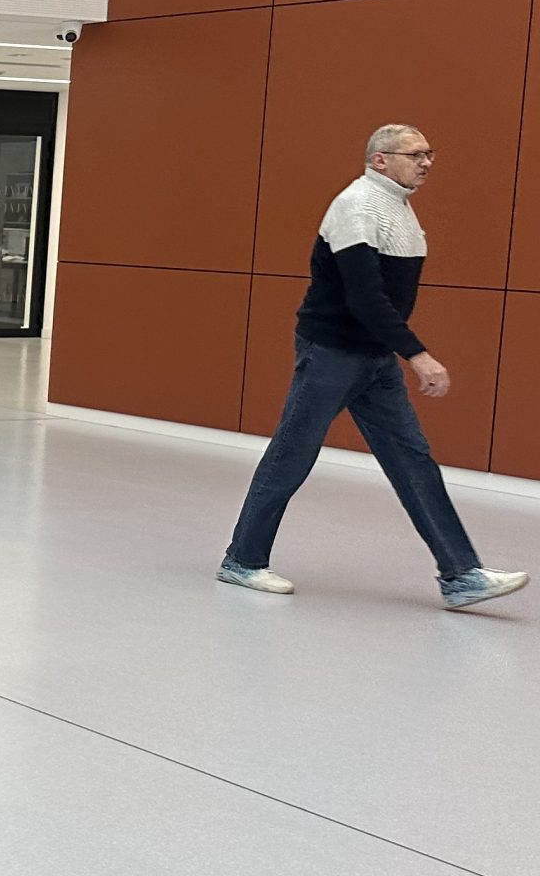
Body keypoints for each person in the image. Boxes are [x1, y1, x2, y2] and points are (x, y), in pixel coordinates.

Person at [220, 124, 526, 610]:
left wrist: (395, 350)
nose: (426, 162)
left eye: (429, 153)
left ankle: (461, 575)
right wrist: (418, 355)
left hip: (373, 357)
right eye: (415, 154)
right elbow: (364, 297)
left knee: (412, 460)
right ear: (380, 160)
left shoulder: (398, 206)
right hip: (331, 352)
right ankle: (242, 559)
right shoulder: (358, 206)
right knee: (292, 454)